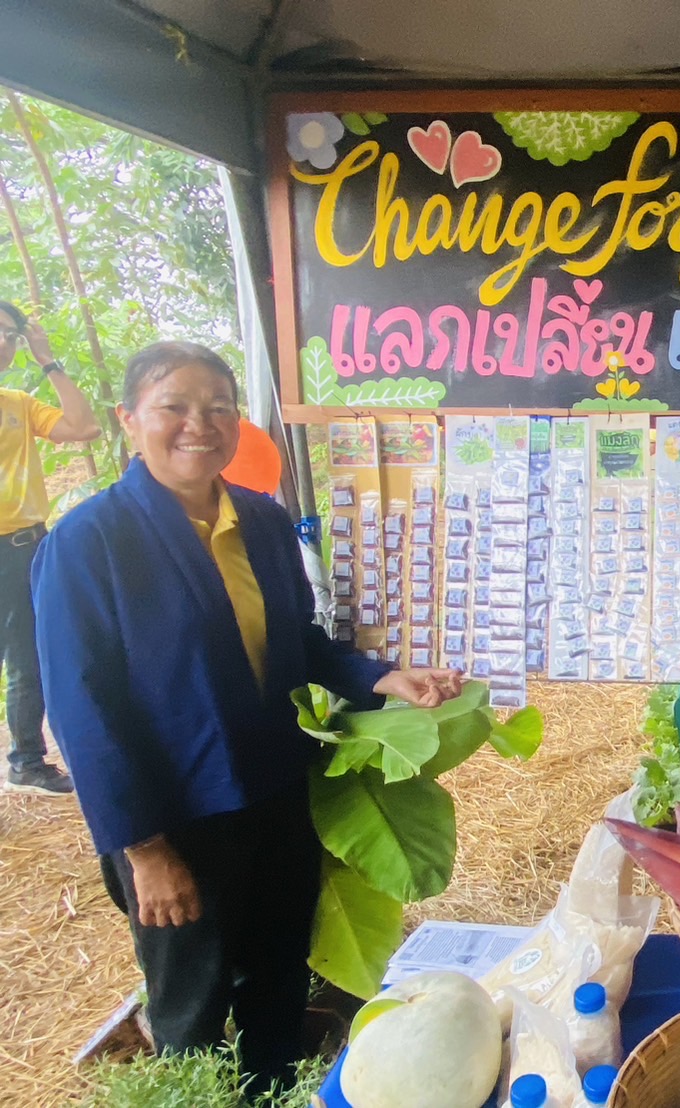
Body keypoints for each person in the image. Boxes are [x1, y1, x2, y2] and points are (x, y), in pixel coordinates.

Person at [31, 341, 463, 1096]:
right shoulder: (89, 542)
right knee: (191, 1005)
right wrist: (144, 851)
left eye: (218, 408)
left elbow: (297, 642)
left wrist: (382, 678)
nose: (198, 425)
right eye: (173, 407)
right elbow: (82, 711)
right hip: (177, 820)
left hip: (275, 795)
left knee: (278, 979)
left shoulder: (261, 520)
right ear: (127, 419)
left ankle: (274, 1091)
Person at [0, 300, 100, 795]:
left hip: (27, 545)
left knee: (29, 656)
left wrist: (48, 361)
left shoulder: (18, 403)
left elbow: (84, 428)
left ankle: (26, 760)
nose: (3, 341)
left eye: (10, 334)